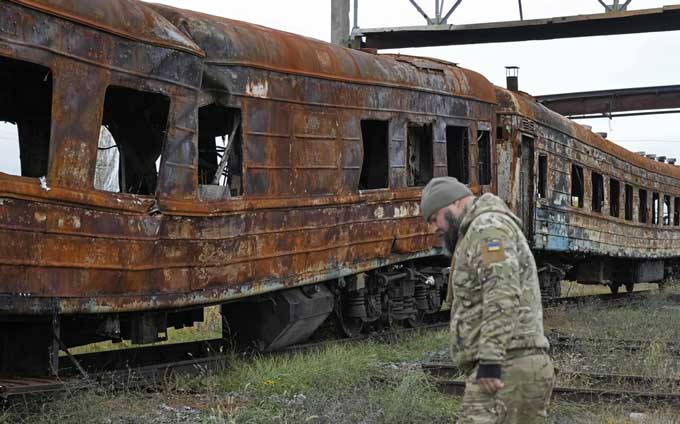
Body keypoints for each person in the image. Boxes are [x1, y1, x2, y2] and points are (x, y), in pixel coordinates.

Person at [420, 176, 554, 424]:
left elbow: (501, 291)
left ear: (456, 203)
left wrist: (491, 360)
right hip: (509, 366)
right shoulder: (476, 230)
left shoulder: (487, 228)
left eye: (434, 218)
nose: (433, 228)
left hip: (507, 367)